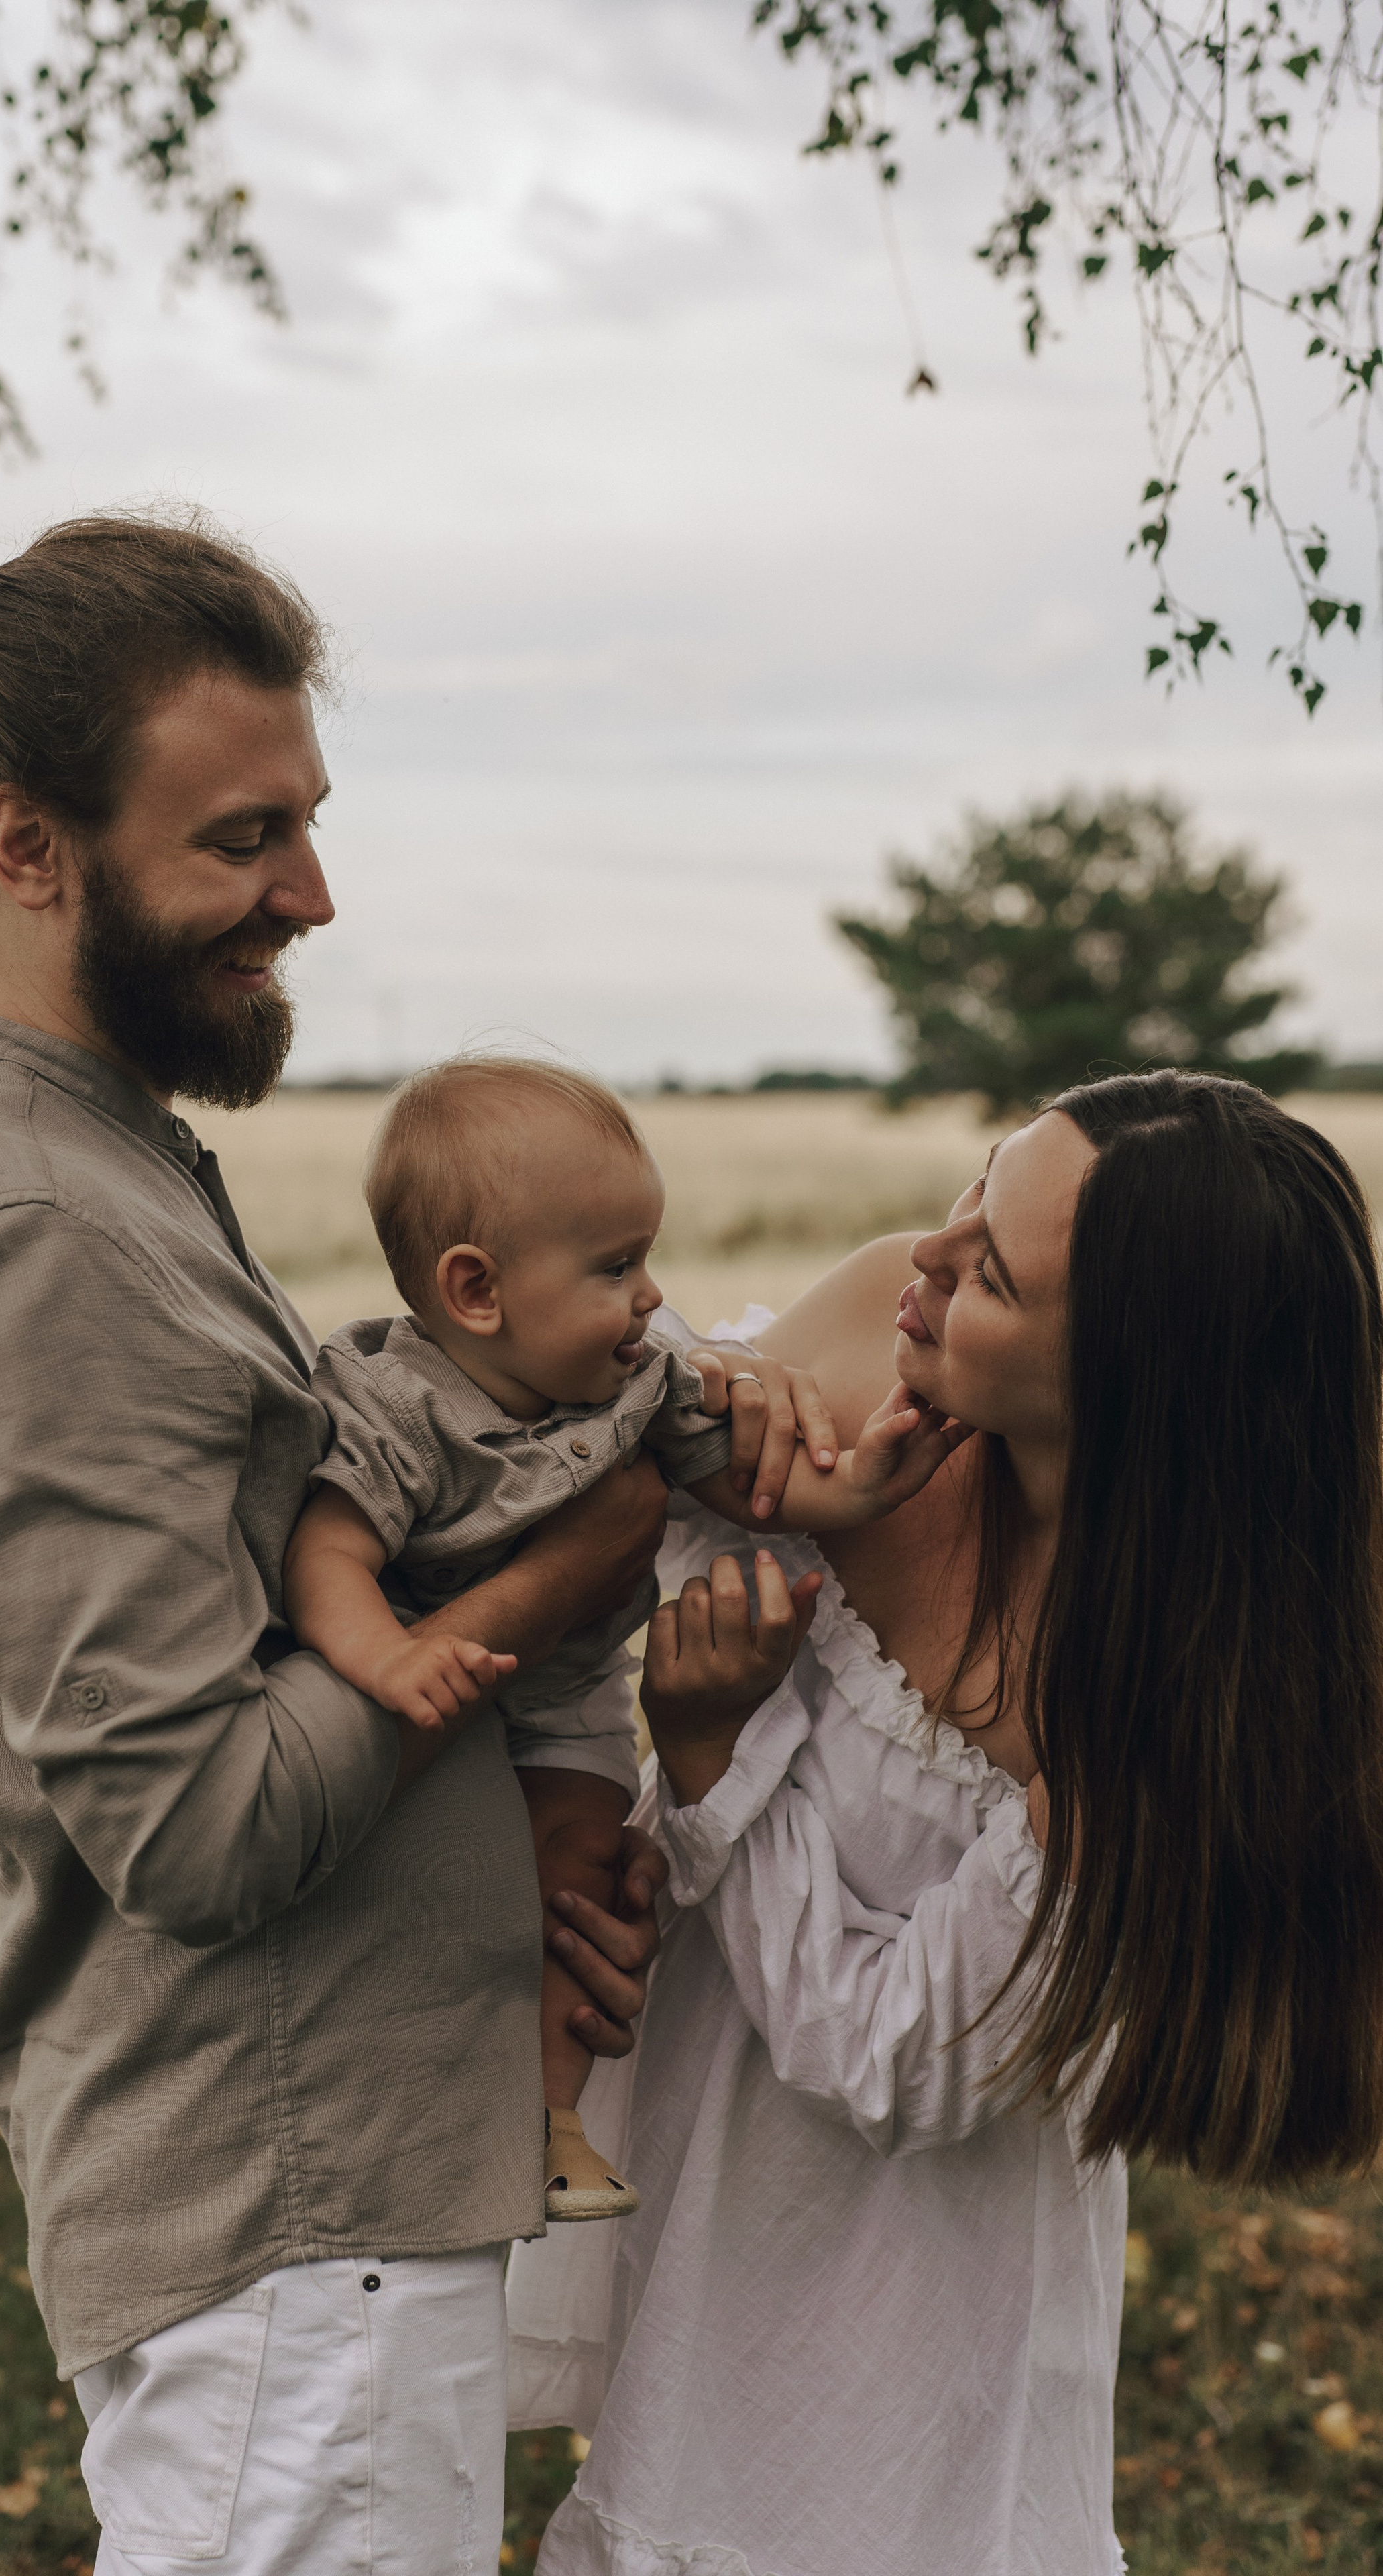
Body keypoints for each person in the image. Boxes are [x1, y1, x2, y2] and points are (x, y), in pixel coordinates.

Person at [0, 504, 824, 2576]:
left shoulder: (114, 1166)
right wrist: (587, 1552)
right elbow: (192, 1832)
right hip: (295, 2228)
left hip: (347, 2216)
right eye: (239, 841)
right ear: (29, 847)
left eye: (308, 822)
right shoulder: (31, 1235)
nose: (312, 893)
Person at [511, 1073, 1383, 2576]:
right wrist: (722, 1434)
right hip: (698, 2160)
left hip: (911, 2295)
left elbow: (896, 2055)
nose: (922, 1257)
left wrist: (717, 1754)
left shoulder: (1167, 1705)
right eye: (970, 1196)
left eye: (988, 1274)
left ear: (1120, 1377)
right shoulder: (878, 1328)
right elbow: (568, 1472)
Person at [283, 1053, 963, 2224]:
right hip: (423, 1652)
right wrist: (389, 1660)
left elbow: (747, 1485)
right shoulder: (392, 1400)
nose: (654, 1297)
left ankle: (553, 2128)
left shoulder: (636, 1385)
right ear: (477, 1290)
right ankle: (456, 2104)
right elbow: (326, 1553)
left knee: (582, 1882)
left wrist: (854, 1494)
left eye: (645, 1258)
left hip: (571, 1695)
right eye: (616, 1267)